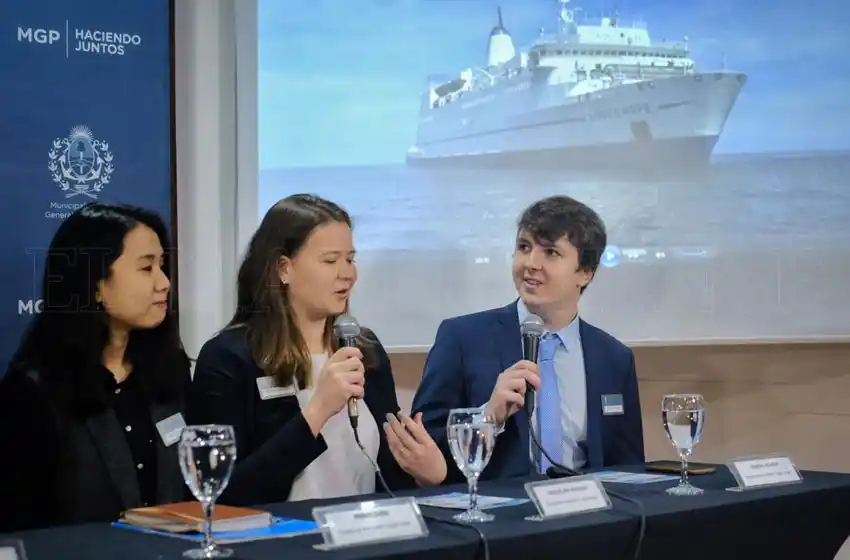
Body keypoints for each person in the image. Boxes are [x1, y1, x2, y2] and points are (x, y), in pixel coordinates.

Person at [187, 194, 447, 506]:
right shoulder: (229, 357)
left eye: (350, 259)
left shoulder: (365, 349)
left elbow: (386, 477)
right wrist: (318, 409)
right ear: (284, 268)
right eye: (330, 261)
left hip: (364, 530)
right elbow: (225, 492)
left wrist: (425, 475)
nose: (347, 274)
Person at [412, 195, 645, 483]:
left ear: (585, 273)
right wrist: (487, 417)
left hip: (587, 507)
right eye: (524, 247)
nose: (531, 263)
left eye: (551, 253)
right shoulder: (462, 338)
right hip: (495, 508)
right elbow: (422, 445)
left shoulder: (614, 359)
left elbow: (629, 472)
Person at [0, 203, 191, 532]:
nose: (164, 283)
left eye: (162, 266)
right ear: (96, 284)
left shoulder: (168, 367)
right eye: (146, 268)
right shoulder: (32, 392)